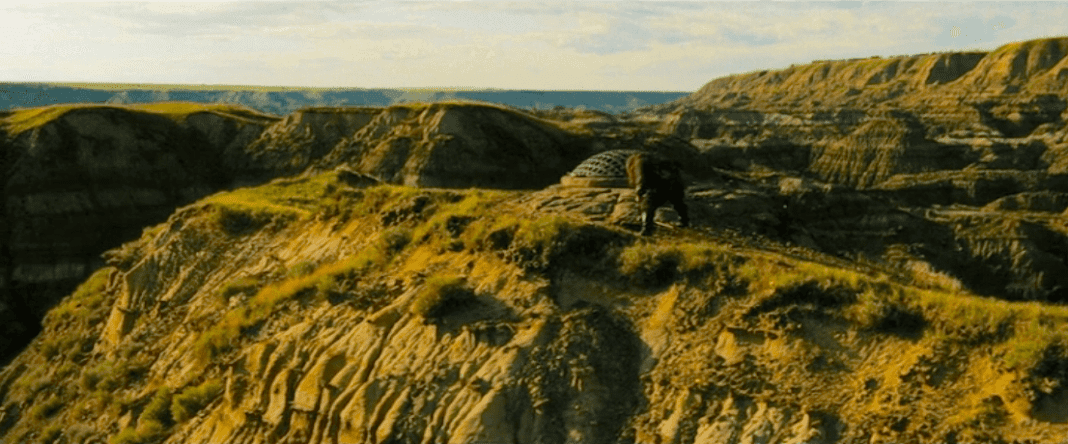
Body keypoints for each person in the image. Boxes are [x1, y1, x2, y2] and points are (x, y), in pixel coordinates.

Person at [626, 152, 689, 235]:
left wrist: (639, 193)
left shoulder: (639, 162)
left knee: (646, 205)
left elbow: (641, 180)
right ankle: (684, 221)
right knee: (678, 202)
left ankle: (646, 229)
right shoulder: (658, 160)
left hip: (657, 188)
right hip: (675, 185)